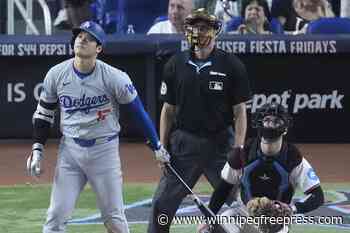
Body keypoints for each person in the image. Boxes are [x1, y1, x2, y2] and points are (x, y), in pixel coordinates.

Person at [26, 21, 170, 233]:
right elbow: (44, 114)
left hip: (104, 152)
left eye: (89, 37)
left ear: (99, 48)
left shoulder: (115, 77)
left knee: (114, 220)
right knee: (55, 218)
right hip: (70, 152)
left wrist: (157, 146)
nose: (82, 39)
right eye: (79, 35)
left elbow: (138, 112)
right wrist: (37, 149)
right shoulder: (56, 74)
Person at [148, 8, 252, 233]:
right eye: (194, 26)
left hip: (221, 144)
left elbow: (240, 111)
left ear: (216, 31)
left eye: (204, 27)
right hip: (184, 144)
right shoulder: (175, 64)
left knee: (238, 203)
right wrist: (162, 146)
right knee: (162, 206)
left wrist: (239, 147)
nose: (198, 31)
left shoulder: (232, 65)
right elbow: (168, 110)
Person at [198, 102, 325, 233]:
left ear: (285, 128)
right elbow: (223, 189)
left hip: (276, 220)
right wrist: (208, 219)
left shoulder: (294, 159)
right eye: (267, 120)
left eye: (276, 121)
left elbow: (318, 196)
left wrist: (291, 209)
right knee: (208, 231)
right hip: (244, 213)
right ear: (259, 124)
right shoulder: (241, 154)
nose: (271, 124)